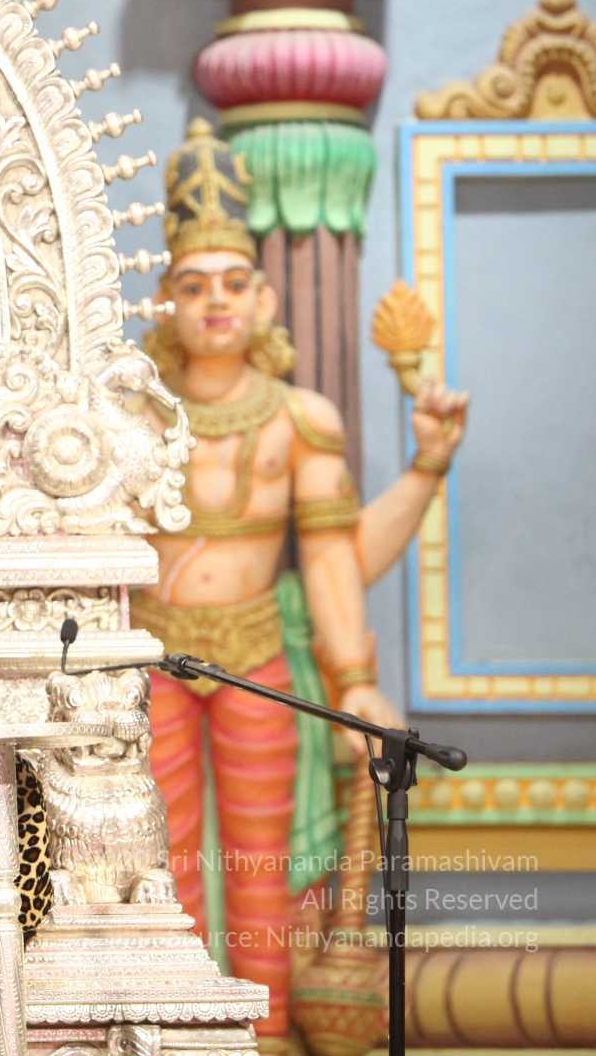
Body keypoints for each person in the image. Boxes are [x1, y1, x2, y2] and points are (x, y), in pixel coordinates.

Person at [136, 121, 467, 1051]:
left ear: (266, 298)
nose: (215, 301)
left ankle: (269, 1031)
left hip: (257, 656)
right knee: (157, 856)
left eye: (234, 282)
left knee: (263, 856)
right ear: (163, 301)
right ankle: (180, 1032)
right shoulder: (131, 417)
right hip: (150, 658)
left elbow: (331, 561)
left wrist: (354, 680)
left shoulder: (300, 420)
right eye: (193, 284)